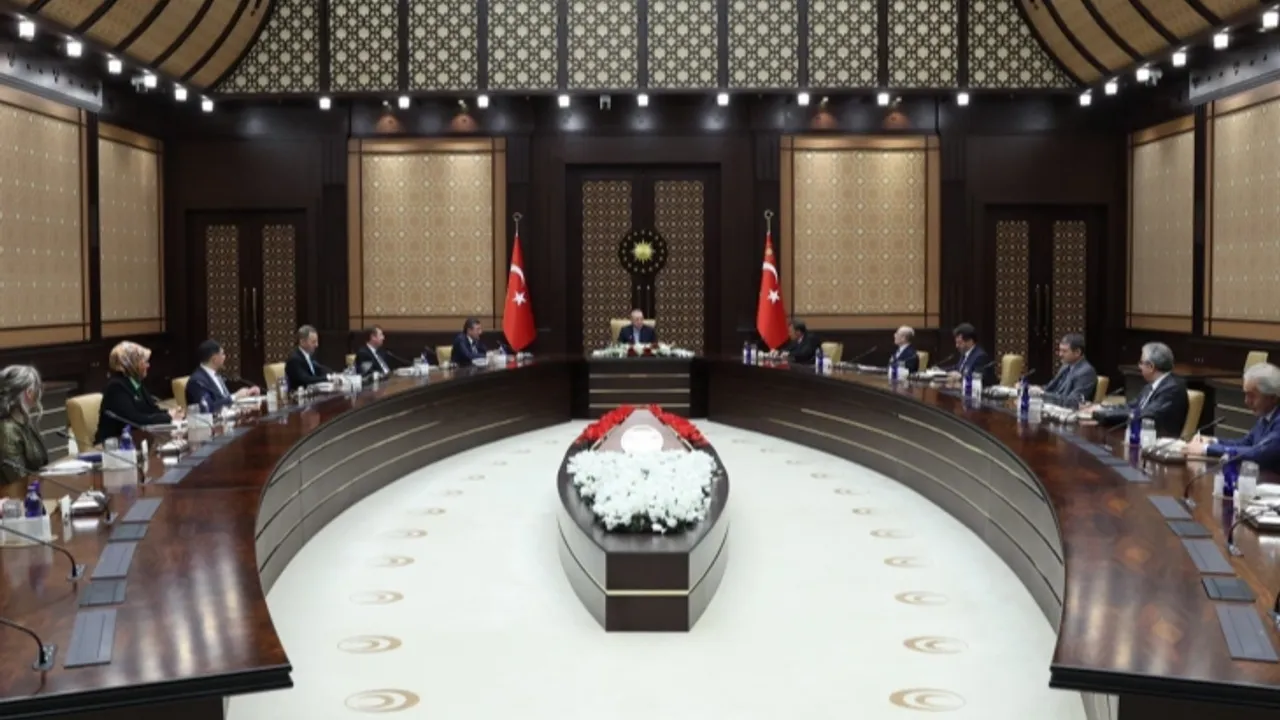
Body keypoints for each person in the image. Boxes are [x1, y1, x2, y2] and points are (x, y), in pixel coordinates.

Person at [1184, 362, 1280, 472]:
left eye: (1252, 396)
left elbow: (1258, 453)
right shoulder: (1267, 416)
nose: (1246, 401)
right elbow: (1245, 443)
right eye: (1245, 394)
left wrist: (1206, 449)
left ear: (1273, 398)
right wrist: (1213, 441)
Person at [1084, 342, 1188, 438]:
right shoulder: (1152, 385)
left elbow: (1146, 414)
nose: (1139, 366)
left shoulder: (1172, 388)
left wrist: (1103, 414)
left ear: (1151, 366)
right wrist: (1103, 408)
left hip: (1158, 440)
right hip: (1142, 435)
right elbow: (1131, 406)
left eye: (1141, 362)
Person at [96, 341, 180, 444]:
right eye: (144, 362)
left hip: (138, 439)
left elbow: (151, 410)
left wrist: (170, 413)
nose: (148, 365)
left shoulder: (135, 382)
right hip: (114, 444)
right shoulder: (116, 387)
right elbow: (134, 420)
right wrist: (168, 417)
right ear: (131, 364)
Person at [0, 365, 48, 493]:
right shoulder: (7, 431)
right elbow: (18, 480)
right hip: (15, 498)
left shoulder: (24, 422)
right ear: (29, 393)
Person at [186, 340, 260, 413]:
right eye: (222, 354)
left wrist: (245, 400)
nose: (225, 357)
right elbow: (207, 408)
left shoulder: (216, 374)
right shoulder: (197, 381)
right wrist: (235, 396)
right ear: (214, 359)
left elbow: (223, 400)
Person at [1030, 333, 1097, 408]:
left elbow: (1073, 402)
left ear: (1077, 352)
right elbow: (1050, 387)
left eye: (1064, 351)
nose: (1060, 354)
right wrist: (1035, 389)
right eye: (1060, 350)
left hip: (1069, 411)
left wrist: (1042, 394)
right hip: (1054, 406)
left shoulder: (1086, 372)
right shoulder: (1066, 366)